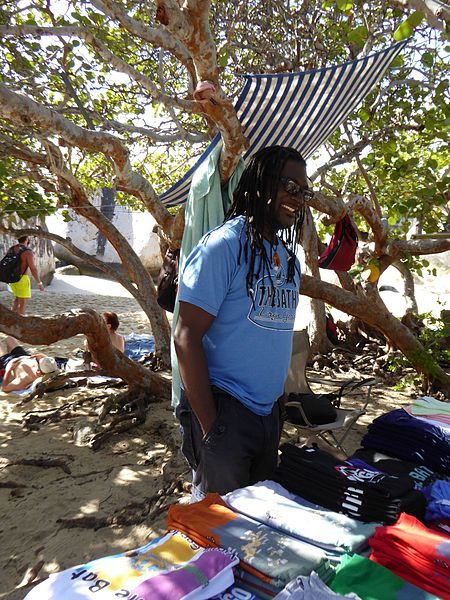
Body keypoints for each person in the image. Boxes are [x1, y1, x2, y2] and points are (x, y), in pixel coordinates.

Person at [174, 145, 313, 500]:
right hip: (224, 411)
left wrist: (278, 404)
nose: (297, 198)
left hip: (267, 414)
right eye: (289, 186)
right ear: (260, 183)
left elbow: (271, 335)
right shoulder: (223, 246)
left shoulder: (288, 260)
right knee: (217, 527)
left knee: (254, 525)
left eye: (304, 191)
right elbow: (185, 336)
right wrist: (211, 428)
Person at [8, 236, 44, 315]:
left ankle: (12, 319)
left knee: (17, 299)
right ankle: (20, 320)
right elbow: (33, 269)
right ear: (26, 239)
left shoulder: (12, 249)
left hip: (11, 278)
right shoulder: (27, 252)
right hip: (21, 279)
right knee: (23, 303)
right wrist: (39, 283)